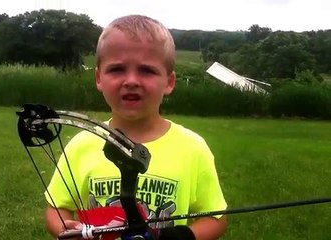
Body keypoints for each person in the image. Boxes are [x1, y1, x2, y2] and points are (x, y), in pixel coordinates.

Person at [45, 14, 227, 240]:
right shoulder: (81, 145)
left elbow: (216, 218)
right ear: (99, 78)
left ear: (169, 82)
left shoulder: (193, 148)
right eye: (117, 69)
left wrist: (183, 236)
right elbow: (56, 207)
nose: (131, 80)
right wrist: (66, 228)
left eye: (146, 70)